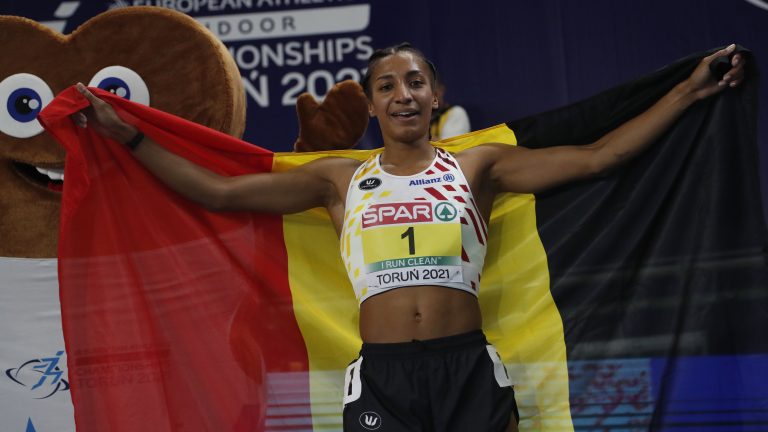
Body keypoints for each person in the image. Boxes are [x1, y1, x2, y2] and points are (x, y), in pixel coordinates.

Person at [73, 42, 745, 432]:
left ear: (434, 94)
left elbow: (601, 157)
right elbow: (216, 193)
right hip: (384, 378)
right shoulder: (339, 181)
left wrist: (690, 90)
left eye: (415, 82)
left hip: (468, 368)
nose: (402, 94)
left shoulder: (476, 166)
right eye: (386, 85)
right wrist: (126, 135)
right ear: (369, 104)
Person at [429, 72, 471, 140]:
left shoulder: (456, 113)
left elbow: (450, 147)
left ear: (441, 90)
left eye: (434, 93)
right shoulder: (418, 117)